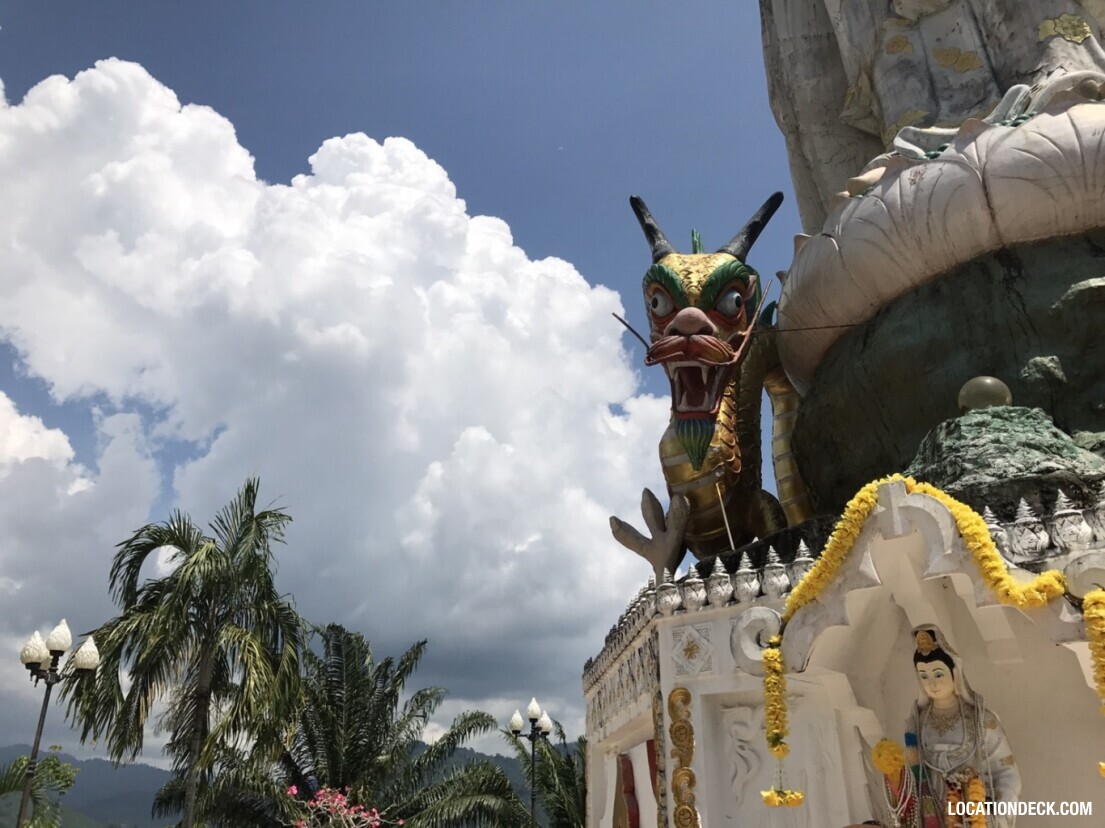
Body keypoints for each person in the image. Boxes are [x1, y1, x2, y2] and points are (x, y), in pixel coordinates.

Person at [883, 627, 1021, 827]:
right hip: (929, 812)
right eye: (924, 676)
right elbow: (914, 774)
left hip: (972, 812)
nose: (932, 683)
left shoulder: (982, 720)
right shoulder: (916, 723)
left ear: (954, 673)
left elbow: (1007, 773)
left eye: (938, 674)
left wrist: (997, 816)